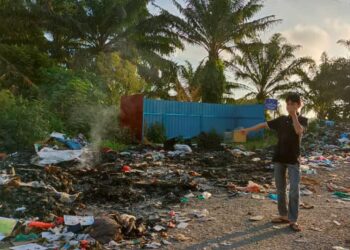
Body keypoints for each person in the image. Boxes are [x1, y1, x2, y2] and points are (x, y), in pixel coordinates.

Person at [239, 93, 307, 232]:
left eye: (292, 104)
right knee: (280, 190)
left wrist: (294, 115)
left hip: (293, 160)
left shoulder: (303, 120)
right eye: (287, 104)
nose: (289, 106)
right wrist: (247, 130)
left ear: (298, 105)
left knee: (294, 190)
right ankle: (283, 215)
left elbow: (298, 131)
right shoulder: (281, 120)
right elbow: (264, 124)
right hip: (279, 158)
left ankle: (293, 220)